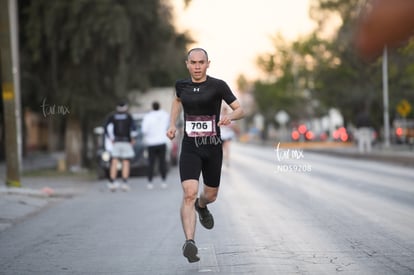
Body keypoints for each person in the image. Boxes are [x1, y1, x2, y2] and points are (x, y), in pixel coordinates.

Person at [166, 48, 244, 263]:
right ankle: (190, 242)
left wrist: (230, 117)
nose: (197, 66)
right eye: (193, 62)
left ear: (208, 63)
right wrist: (172, 124)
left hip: (212, 147)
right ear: (187, 64)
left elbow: (240, 109)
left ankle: (202, 206)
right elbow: (177, 101)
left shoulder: (218, 85)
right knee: (189, 193)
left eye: (201, 62)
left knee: (210, 195)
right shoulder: (181, 85)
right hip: (190, 146)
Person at [104, 101, 137, 191]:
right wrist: (133, 139)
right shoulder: (128, 116)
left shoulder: (113, 116)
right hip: (126, 141)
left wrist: (110, 138)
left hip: (116, 141)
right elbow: (134, 128)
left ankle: (112, 182)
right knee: (126, 162)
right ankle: (125, 183)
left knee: (114, 162)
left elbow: (106, 127)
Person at [142, 101, 170, 189]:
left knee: (151, 163)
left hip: (151, 143)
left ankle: (150, 182)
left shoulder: (148, 116)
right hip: (162, 141)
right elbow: (168, 126)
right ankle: (163, 181)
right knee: (162, 162)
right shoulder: (165, 115)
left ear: (152, 107)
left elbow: (144, 130)